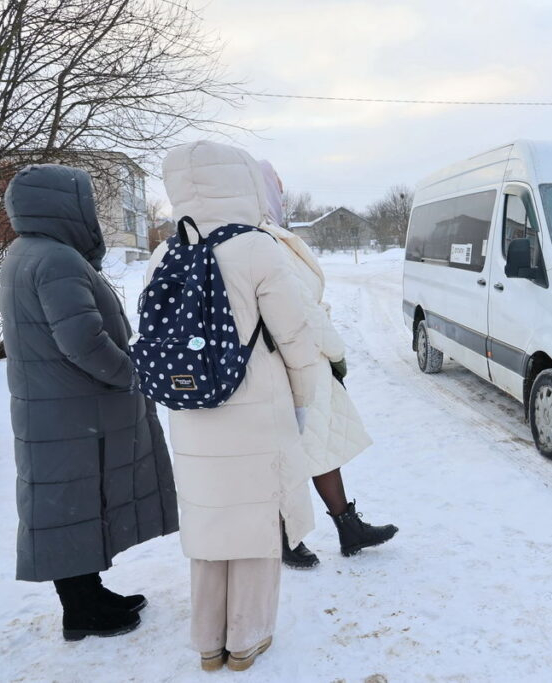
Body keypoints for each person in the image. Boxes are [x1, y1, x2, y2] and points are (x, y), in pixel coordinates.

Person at [150, 141, 320, 671]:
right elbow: (295, 335)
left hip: (191, 407)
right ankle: (246, 638)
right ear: (242, 183)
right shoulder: (256, 248)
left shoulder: (165, 252)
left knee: (209, 523)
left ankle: (207, 640)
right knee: (254, 524)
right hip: (255, 407)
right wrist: (305, 400)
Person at [0, 164, 179, 641]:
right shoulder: (55, 259)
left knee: (72, 505)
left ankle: (89, 595)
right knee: (70, 504)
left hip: (56, 409)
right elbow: (83, 341)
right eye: (82, 200)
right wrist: (130, 375)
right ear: (62, 206)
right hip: (71, 410)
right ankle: (81, 610)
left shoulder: (27, 252)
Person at [257, 160, 397, 569]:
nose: (281, 193)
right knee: (292, 451)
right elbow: (301, 310)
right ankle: (287, 536)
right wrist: (336, 354)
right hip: (294, 358)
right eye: (275, 186)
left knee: (316, 445)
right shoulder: (263, 240)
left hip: (296, 356)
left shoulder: (268, 236)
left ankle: (345, 527)